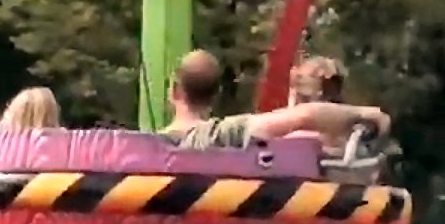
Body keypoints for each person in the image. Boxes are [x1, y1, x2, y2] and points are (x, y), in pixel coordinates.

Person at [161, 50, 390, 149]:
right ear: (216, 94)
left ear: (173, 91)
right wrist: (363, 114)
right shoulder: (222, 136)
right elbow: (304, 117)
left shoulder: (142, 149)